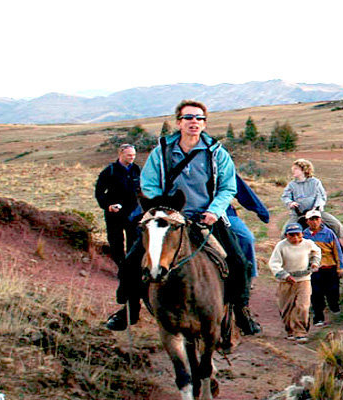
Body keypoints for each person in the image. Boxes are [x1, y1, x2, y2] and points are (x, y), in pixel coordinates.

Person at [105, 99, 261, 336]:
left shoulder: (217, 153)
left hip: (205, 216)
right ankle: (130, 308)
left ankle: (241, 309)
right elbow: (149, 184)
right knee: (131, 261)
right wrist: (166, 210)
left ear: (204, 123)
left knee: (240, 256)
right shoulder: (162, 152)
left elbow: (228, 188)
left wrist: (213, 211)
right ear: (179, 122)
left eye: (199, 118)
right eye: (188, 117)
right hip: (169, 217)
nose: (194, 122)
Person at [281, 158, 343, 264]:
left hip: (316, 212)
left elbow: (321, 196)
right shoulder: (292, 185)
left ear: (304, 170)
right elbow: (285, 197)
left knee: (337, 225)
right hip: (298, 214)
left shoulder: (315, 182)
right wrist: (290, 203)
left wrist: (316, 208)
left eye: (296, 169)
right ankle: (287, 257)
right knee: (285, 232)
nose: (293, 171)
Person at [267, 223, 321, 342]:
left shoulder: (308, 244)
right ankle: (290, 330)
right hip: (286, 281)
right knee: (286, 307)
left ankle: (300, 332)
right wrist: (284, 275)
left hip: (304, 279)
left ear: (302, 234)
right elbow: (274, 263)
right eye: (292, 235)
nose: (295, 238)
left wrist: (314, 263)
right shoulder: (281, 246)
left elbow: (316, 252)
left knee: (303, 306)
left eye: (298, 234)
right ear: (286, 235)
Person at [94, 144, 141, 264]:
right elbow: (99, 192)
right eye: (129, 155)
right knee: (116, 241)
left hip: (133, 212)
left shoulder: (137, 170)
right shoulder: (109, 171)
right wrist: (108, 206)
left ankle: (131, 267)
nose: (132, 157)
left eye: (134, 155)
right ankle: (119, 267)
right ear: (120, 154)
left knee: (134, 240)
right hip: (114, 213)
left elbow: (142, 189)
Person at [302, 209, 343, 326]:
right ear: (307, 221)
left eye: (317, 219)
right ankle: (318, 316)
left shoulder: (329, 233)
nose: (315, 222)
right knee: (315, 293)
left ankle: (334, 306)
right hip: (314, 270)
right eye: (312, 219)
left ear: (320, 220)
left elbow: (337, 250)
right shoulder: (304, 235)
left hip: (329, 267)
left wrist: (340, 266)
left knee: (332, 290)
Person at [228, 174, 270, 282]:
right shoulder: (178, 160)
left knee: (246, 238)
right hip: (187, 212)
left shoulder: (217, 161)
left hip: (222, 212)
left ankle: (247, 277)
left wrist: (261, 211)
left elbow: (242, 189)